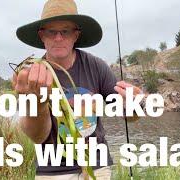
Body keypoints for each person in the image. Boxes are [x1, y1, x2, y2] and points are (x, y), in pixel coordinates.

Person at [13, 0, 142, 179]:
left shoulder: (96, 66)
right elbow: (37, 136)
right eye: (51, 31)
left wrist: (135, 104)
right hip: (52, 171)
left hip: (98, 167)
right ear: (42, 35)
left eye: (65, 31)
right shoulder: (31, 76)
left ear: (76, 35)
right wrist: (39, 104)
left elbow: (130, 115)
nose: (58, 38)